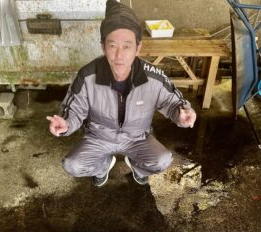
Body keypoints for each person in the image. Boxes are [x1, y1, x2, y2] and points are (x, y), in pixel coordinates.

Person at [47, 0, 196, 187]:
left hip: (137, 137)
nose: (119, 55)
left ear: (138, 47)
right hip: (99, 137)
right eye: (112, 46)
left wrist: (183, 115)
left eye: (127, 46)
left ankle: (137, 166)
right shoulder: (87, 75)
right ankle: (103, 166)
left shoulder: (154, 76)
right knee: (72, 165)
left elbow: (174, 103)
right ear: (103, 46)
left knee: (162, 161)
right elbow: (74, 109)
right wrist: (66, 123)